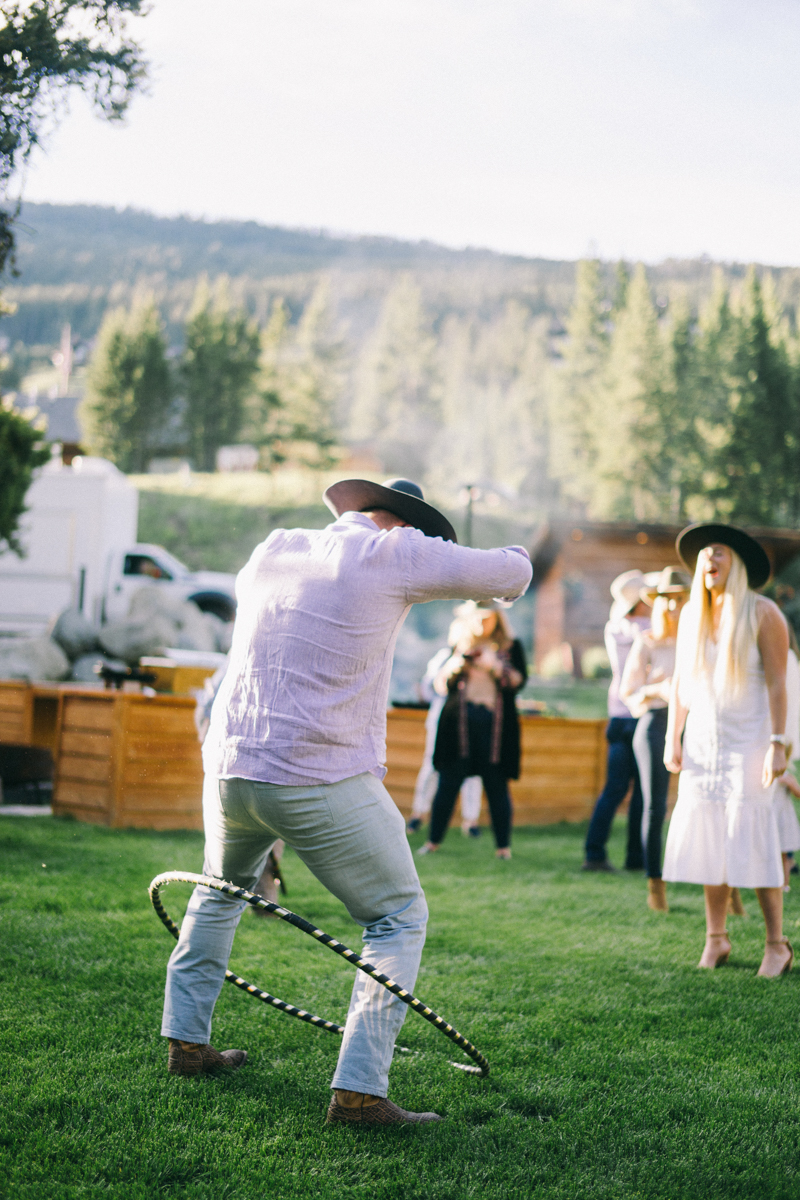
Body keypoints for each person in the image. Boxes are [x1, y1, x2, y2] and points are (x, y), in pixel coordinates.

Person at [160, 476, 532, 1126]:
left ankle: (186, 1043)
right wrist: (519, 552)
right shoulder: (395, 551)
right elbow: (511, 573)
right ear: (401, 522)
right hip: (316, 772)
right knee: (397, 915)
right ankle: (359, 1092)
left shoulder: (274, 547)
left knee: (218, 893)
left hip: (232, 764)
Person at [662, 523, 792, 977]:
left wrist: (779, 744)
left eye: (718, 553)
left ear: (736, 562)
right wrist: (671, 737)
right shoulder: (692, 616)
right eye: (703, 556)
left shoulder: (763, 613)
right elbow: (680, 684)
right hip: (702, 743)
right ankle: (716, 938)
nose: (709, 561)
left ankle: (776, 945)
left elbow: (780, 683)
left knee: (752, 838)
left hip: (750, 741)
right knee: (710, 839)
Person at [417, 601, 527, 859]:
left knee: (497, 786)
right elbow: (440, 687)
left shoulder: (511, 648)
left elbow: (518, 682)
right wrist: (454, 668)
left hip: (496, 728)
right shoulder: (458, 646)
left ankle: (503, 848)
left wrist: (493, 666)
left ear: (497, 618)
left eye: (487, 617)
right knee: (447, 784)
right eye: (477, 617)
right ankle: (432, 842)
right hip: (459, 726)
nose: (481, 622)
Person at [620, 567, 691, 912]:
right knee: (655, 806)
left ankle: (727, 888)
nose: (674, 607)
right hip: (654, 722)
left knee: (707, 801)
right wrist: (659, 689)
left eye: (681, 600)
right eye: (668, 601)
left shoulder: (700, 639)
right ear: (658, 603)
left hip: (697, 724)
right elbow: (628, 691)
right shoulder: (647, 640)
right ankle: (654, 883)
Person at [582, 570, 652, 872]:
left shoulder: (614, 627)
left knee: (613, 789)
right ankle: (636, 858)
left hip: (617, 716)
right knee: (642, 792)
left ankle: (594, 853)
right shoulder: (649, 628)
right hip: (642, 714)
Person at [407, 611, 484, 838]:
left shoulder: (482, 658)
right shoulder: (444, 657)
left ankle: (471, 821)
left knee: (473, 772)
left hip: (472, 722)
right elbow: (428, 689)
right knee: (432, 766)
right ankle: (418, 814)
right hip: (442, 720)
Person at [775, 628, 800, 890]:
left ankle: (784, 871)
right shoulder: (791, 659)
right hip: (785, 744)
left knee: (780, 818)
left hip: (782, 743)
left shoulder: (787, 661)